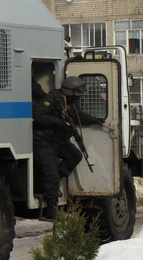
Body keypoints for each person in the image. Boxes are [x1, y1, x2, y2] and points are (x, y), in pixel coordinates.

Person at [32, 76, 104, 220]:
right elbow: (38, 116)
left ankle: (51, 183)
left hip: (58, 141)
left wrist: (95, 120)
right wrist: (58, 122)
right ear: (70, 91)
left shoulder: (69, 103)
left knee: (75, 156)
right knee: (50, 176)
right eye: (77, 93)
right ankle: (51, 212)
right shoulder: (52, 99)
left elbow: (78, 116)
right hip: (44, 141)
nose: (79, 96)